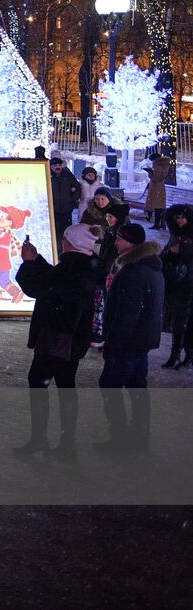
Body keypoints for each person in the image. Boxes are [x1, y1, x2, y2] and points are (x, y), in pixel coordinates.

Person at [12, 223, 102, 458]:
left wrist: (29, 264)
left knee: (41, 384)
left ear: (73, 243)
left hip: (57, 337)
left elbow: (42, 288)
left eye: (65, 238)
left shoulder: (74, 268)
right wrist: (37, 259)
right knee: (65, 387)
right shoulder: (83, 265)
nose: (63, 241)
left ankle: (46, 440)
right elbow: (54, 280)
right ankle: (64, 443)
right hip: (71, 338)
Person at [96, 223, 164, 451]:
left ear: (131, 244)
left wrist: (113, 345)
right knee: (137, 387)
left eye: (120, 239)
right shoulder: (150, 268)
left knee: (110, 385)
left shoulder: (133, 272)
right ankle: (139, 436)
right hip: (142, 340)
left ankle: (120, 438)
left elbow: (127, 315)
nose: (116, 243)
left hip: (129, 342)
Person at [160, 205, 193, 369]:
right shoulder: (175, 235)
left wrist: (183, 250)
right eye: (176, 218)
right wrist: (170, 253)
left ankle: (187, 353)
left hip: (189, 283)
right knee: (178, 319)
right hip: (177, 283)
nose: (179, 221)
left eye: (182, 217)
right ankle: (175, 353)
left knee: (186, 319)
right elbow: (164, 257)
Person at [49, 156, 82, 240]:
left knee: (67, 233)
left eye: (59, 165)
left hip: (66, 210)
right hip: (53, 211)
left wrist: (72, 199)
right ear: (50, 166)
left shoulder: (67, 175)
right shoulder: (48, 176)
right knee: (55, 234)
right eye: (55, 165)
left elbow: (77, 187)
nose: (58, 167)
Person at [144, 153, 172, 229]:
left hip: (157, 189)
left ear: (155, 160)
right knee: (158, 207)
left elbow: (156, 178)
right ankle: (161, 224)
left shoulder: (159, 167)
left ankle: (158, 224)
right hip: (158, 188)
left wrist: (150, 172)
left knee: (158, 207)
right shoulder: (161, 166)